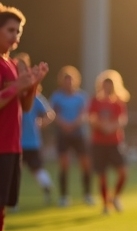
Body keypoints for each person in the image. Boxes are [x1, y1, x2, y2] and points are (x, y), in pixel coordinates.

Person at [0, 4, 49, 231]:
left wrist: (31, 86)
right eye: (10, 30)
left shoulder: (10, 62)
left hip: (11, 145)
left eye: (18, 32)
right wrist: (18, 86)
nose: (15, 37)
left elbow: (26, 107)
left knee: (3, 205)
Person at [14, 54, 55, 206]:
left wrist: (41, 123)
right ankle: (13, 201)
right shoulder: (11, 92)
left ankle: (46, 188)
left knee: (33, 170)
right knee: (14, 173)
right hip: (14, 141)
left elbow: (49, 114)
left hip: (29, 141)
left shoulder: (34, 95)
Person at [49, 65, 93, 206]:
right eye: (66, 80)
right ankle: (63, 196)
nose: (69, 82)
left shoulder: (81, 96)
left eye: (71, 80)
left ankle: (87, 194)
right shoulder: (57, 96)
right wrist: (64, 124)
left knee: (85, 164)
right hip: (63, 134)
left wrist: (74, 124)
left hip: (78, 134)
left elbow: (84, 114)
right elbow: (52, 113)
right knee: (64, 165)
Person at [88, 70, 130, 214]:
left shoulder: (118, 102)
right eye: (105, 84)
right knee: (102, 175)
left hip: (114, 142)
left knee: (123, 173)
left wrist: (111, 127)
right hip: (99, 143)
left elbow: (122, 120)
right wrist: (102, 126)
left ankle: (115, 197)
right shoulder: (95, 101)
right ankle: (106, 204)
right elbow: (91, 118)